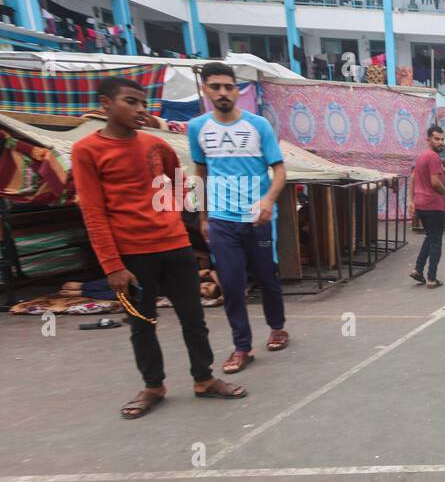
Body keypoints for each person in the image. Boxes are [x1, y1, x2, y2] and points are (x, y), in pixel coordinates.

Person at [71, 77, 246, 419]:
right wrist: (112, 265)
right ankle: (153, 386)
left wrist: (175, 219)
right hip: (131, 256)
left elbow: (180, 184)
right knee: (141, 322)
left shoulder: (156, 146)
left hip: (175, 247)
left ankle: (204, 378)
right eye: (131, 102)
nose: (140, 109)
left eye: (142, 103)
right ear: (106, 104)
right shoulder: (88, 151)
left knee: (194, 318)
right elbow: (92, 211)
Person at [189, 61, 289, 374]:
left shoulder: (258, 126)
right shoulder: (197, 128)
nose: (222, 93)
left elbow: (280, 170)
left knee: (267, 277)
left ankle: (277, 326)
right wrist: (203, 218)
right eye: (215, 87)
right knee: (231, 284)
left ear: (236, 90)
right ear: (206, 90)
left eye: (228, 87)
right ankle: (241, 346)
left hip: (257, 218)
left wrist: (268, 201)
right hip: (221, 219)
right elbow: (200, 173)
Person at [408, 124, 445, 288]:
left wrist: (412, 201)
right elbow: (435, 182)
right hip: (433, 205)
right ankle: (432, 278)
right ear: (428, 139)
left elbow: (413, 178)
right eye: (436, 139)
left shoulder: (422, 156)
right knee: (436, 242)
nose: (440, 142)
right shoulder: (433, 157)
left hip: (421, 205)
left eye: (442, 139)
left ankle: (418, 270)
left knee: (430, 237)